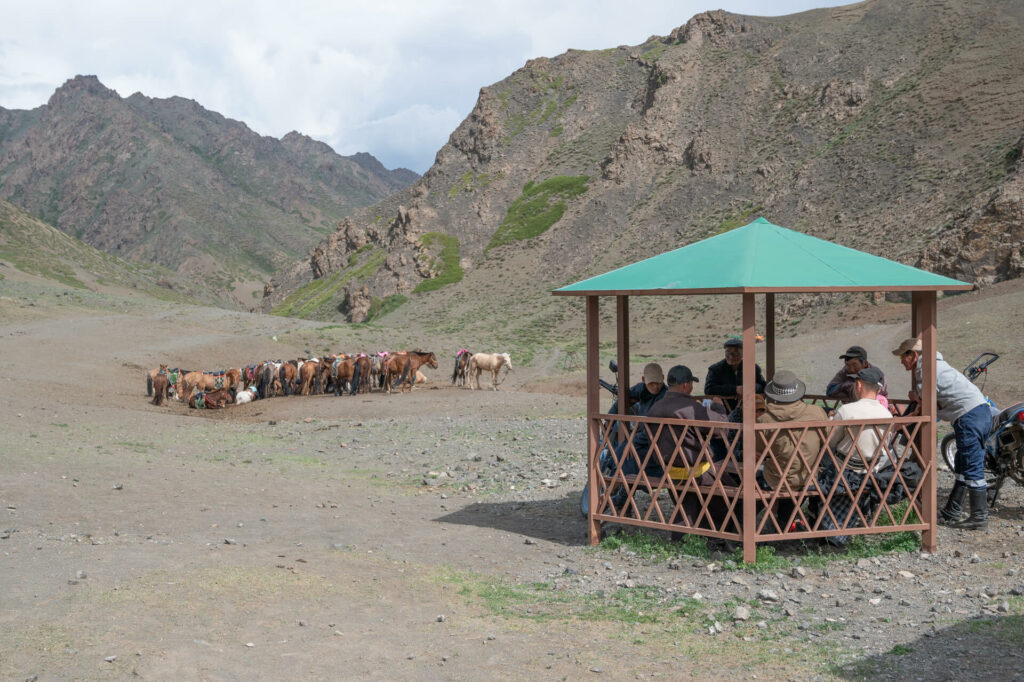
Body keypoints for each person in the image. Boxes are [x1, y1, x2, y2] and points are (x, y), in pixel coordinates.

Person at [894, 337, 992, 530]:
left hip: (969, 416)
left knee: (971, 465)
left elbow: (932, 406)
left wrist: (916, 399)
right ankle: (952, 510)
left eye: (903, 357)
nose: (901, 362)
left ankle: (979, 517)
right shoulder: (936, 365)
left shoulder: (926, 370)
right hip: (978, 413)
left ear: (913, 355)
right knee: (963, 463)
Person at [816, 367, 898, 545]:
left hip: (844, 468)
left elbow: (831, 442)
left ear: (859, 385)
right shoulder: (886, 413)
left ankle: (821, 524)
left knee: (819, 463)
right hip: (872, 470)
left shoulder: (847, 411)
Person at [756, 370, 828, 531]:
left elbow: (758, 450)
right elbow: (828, 439)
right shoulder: (817, 413)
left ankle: (738, 527)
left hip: (776, 479)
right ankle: (783, 523)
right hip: (809, 477)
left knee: (751, 477)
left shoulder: (764, 419)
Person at [705, 338, 766, 412]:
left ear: (743, 353)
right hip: (722, 412)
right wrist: (735, 389)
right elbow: (709, 389)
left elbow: (762, 386)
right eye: (728, 353)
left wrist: (748, 388)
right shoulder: (716, 369)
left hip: (748, 411)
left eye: (736, 353)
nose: (731, 357)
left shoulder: (752, 368)